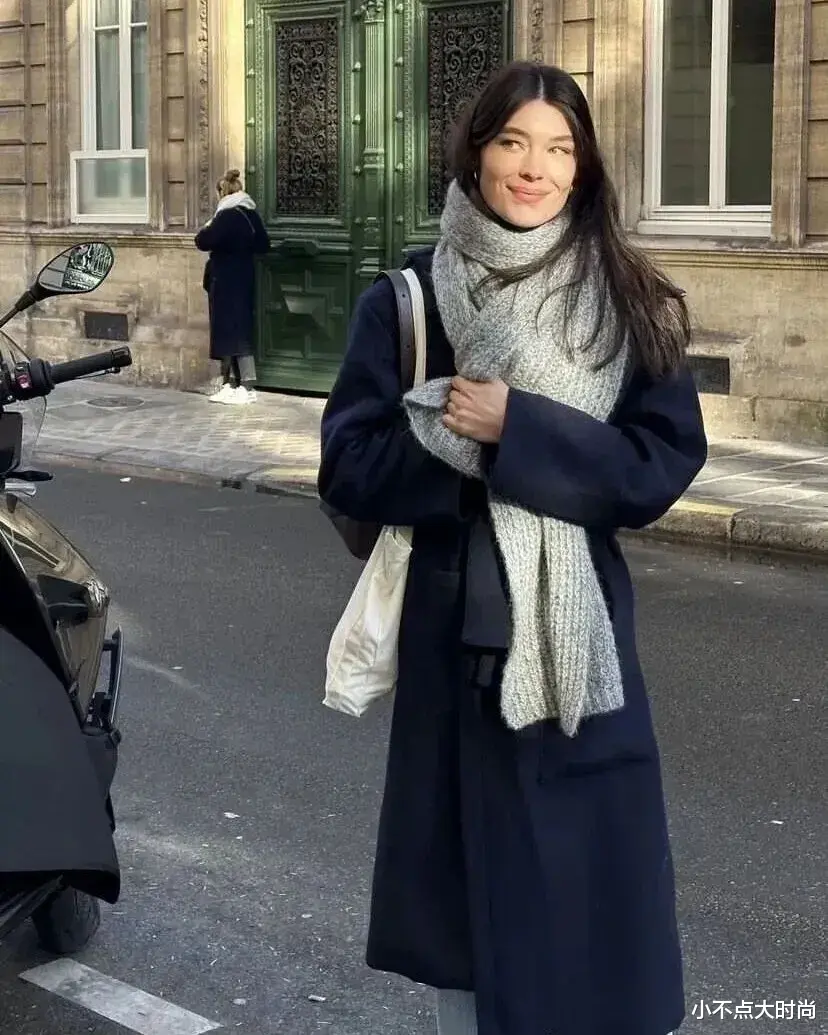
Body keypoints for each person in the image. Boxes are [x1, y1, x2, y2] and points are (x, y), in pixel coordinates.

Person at [318, 61, 707, 1035]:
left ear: (584, 166)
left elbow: (658, 467)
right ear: (476, 151)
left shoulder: (627, 298)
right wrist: (461, 453)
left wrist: (516, 431)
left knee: (588, 920)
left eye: (560, 148)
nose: (535, 168)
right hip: (454, 653)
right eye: (513, 143)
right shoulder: (408, 300)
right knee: (472, 932)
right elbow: (350, 467)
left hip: (579, 652)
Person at [195, 169, 270, 405]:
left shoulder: (225, 215)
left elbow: (202, 241)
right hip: (244, 276)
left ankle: (240, 386)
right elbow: (263, 244)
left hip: (225, 279)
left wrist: (209, 226)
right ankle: (236, 385)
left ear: (223, 192)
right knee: (240, 328)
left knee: (228, 332)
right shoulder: (250, 214)